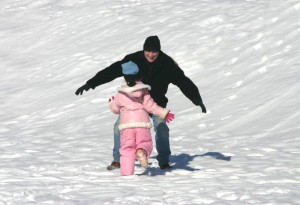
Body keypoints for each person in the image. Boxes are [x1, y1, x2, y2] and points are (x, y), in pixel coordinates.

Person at [75, 35, 206, 170]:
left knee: (161, 128)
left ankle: (164, 160)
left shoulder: (167, 64)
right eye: (148, 51)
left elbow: (183, 81)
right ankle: (117, 159)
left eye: (154, 51)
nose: (151, 54)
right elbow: (113, 70)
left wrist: (196, 99)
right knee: (118, 127)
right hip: (134, 103)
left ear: (159, 51)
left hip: (155, 103)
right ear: (143, 50)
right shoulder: (134, 60)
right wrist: (91, 83)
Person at [109, 61, 174, 176]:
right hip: (142, 124)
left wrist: (111, 103)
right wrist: (163, 113)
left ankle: (127, 174)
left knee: (127, 149)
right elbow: (150, 106)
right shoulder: (143, 91)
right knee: (144, 142)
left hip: (126, 125)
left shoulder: (120, 94)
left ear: (125, 77)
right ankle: (141, 151)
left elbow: (115, 109)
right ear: (138, 75)